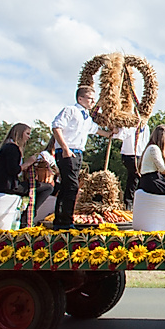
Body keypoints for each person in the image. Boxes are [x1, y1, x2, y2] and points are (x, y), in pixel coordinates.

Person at [51, 86, 112, 229]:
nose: (93, 101)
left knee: (68, 186)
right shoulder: (70, 110)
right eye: (90, 98)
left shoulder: (86, 117)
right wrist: (65, 148)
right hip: (68, 151)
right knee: (72, 186)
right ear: (80, 99)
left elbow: (95, 130)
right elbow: (56, 126)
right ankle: (66, 220)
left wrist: (109, 133)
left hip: (78, 152)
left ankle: (60, 219)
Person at [0, 123, 54, 227]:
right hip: (9, 186)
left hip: (1, 184)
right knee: (47, 188)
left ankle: (26, 216)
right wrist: (28, 163)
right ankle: (27, 217)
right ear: (19, 133)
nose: (29, 137)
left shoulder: (6, 147)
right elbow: (13, 170)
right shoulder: (13, 148)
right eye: (27, 134)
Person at [116, 123, 149, 209]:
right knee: (139, 178)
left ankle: (129, 204)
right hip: (130, 155)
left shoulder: (146, 127)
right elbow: (121, 134)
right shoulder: (131, 125)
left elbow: (145, 142)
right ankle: (135, 204)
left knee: (133, 179)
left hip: (140, 155)